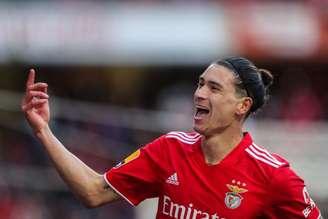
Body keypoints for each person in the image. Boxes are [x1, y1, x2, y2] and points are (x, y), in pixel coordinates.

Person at [22, 56, 322, 219]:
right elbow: (93, 191)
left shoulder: (273, 175)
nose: (199, 94)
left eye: (214, 88)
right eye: (200, 84)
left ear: (242, 106)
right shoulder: (170, 148)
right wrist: (43, 131)